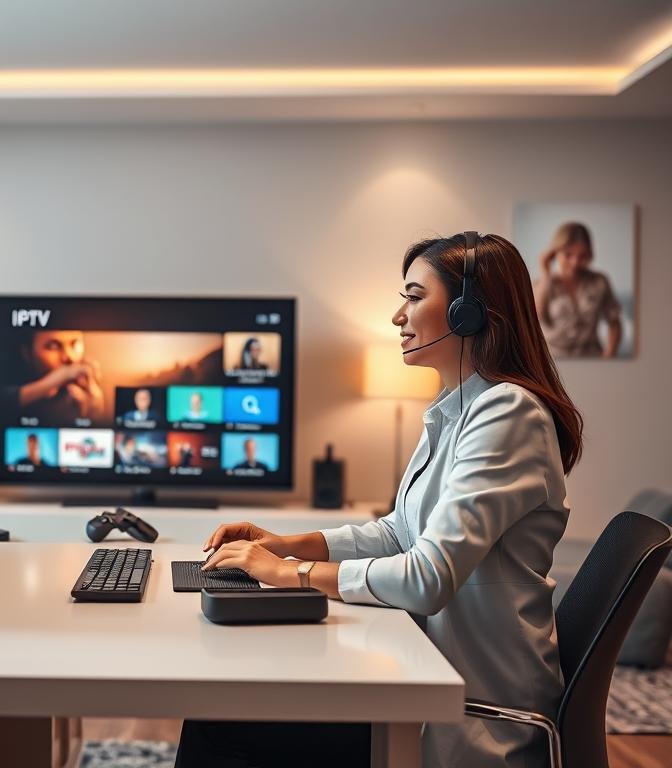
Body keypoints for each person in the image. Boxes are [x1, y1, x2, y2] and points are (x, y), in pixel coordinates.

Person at [178, 233, 583, 768]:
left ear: (468, 312)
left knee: (217, 725)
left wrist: (288, 572)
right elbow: (399, 533)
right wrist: (287, 543)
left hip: (471, 716)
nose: (399, 316)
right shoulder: (455, 409)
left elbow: (426, 577)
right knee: (224, 714)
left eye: (414, 297)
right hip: (424, 677)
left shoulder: (507, 412)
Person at [533, 221, 623, 357]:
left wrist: (609, 356)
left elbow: (614, 321)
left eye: (582, 256)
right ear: (554, 253)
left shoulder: (599, 281)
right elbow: (534, 317)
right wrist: (546, 274)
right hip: (553, 362)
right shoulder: (541, 284)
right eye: (568, 254)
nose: (575, 262)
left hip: (592, 359)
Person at [5, 330, 104, 424]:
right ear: (26, 353)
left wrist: (92, 413)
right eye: (53, 346)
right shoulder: (8, 385)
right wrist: (46, 386)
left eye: (75, 344)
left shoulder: (85, 384)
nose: (70, 357)